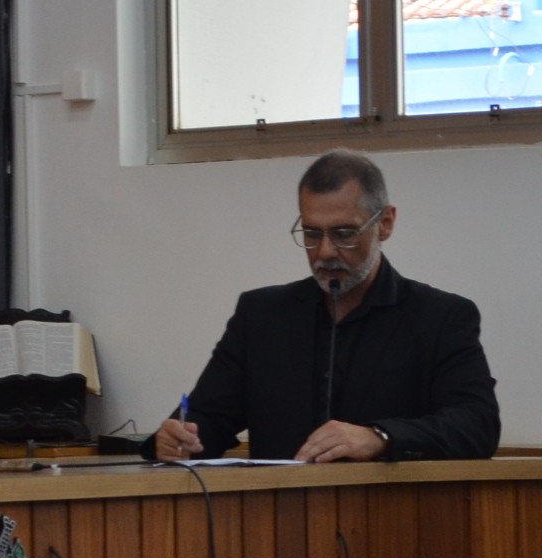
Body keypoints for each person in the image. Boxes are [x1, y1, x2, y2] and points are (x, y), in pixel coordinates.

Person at [148, 150, 499, 464]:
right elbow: (206, 421)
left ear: (385, 224)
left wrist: (380, 437)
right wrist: (177, 440)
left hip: (391, 510)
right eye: (312, 234)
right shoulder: (260, 316)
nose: (325, 252)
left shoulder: (440, 317)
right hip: (276, 510)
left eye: (344, 234)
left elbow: (477, 425)